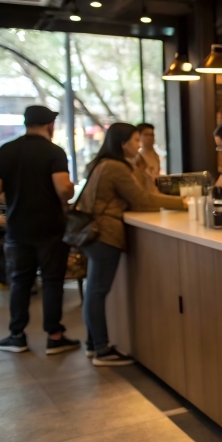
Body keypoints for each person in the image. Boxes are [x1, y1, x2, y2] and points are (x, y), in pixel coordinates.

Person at [75, 123, 185, 366]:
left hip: (94, 233)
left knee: (94, 291)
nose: (139, 145)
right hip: (105, 234)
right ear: (123, 144)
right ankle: (102, 350)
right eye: (136, 140)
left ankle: (94, 345)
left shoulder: (102, 163)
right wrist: (182, 202)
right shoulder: (115, 167)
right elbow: (141, 199)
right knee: (96, 292)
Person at [0, 105, 80, 355]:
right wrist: (69, 191)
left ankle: (17, 335)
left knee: (20, 281)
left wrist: (19, 199)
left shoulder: (5, 150)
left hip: (18, 228)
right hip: (51, 227)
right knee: (52, 281)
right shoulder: (53, 152)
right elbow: (62, 188)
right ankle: (55, 336)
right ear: (50, 126)